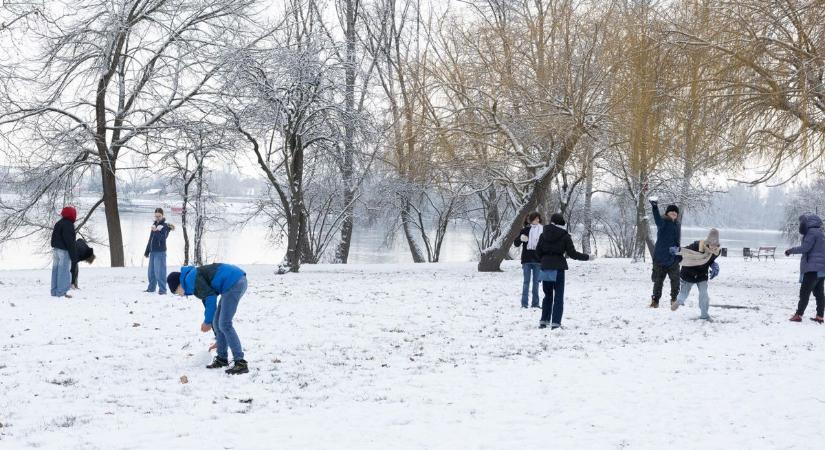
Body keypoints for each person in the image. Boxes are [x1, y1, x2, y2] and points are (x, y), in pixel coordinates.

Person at [168, 263, 249, 374]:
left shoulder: (191, 280)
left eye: (177, 292)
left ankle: (241, 362)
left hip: (234, 282)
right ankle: (222, 358)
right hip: (232, 283)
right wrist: (218, 338)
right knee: (217, 322)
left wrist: (207, 322)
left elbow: (210, 298)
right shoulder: (192, 281)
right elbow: (209, 305)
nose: (180, 295)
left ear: (179, 285)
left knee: (224, 323)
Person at [535, 213, 595, 329]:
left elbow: (537, 253)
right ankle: (556, 323)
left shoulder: (543, 235)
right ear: (561, 224)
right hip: (558, 268)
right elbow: (572, 254)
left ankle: (544, 321)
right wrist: (587, 257)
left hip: (546, 267)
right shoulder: (564, 236)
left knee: (547, 295)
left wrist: (544, 260)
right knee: (558, 296)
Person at [671, 228, 721, 320]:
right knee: (684, 294)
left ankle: (704, 315)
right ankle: (678, 301)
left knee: (704, 294)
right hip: (688, 273)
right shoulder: (697, 245)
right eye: (711, 245)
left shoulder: (717, 252)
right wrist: (677, 250)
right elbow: (686, 251)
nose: (713, 248)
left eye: (716, 246)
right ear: (707, 242)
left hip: (702, 275)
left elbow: (710, 261)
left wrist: (714, 266)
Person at [785, 214, 825, 324]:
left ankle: (798, 315)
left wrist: (790, 250)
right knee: (819, 294)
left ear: (808, 223)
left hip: (812, 269)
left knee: (804, 292)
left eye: (802, 223)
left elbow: (805, 248)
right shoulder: (820, 232)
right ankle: (820, 316)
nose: (801, 225)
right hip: (821, 269)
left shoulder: (811, 233)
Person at [648, 197, 681, 309]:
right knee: (658, 281)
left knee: (675, 281)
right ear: (667, 213)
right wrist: (655, 207)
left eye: (675, 213)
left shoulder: (677, 225)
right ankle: (655, 301)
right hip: (660, 258)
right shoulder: (663, 223)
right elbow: (657, 218)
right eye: (671, 212)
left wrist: (678, 253)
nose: (673, 214)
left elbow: (677, 241)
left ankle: (674, 299)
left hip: (673, 259)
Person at [514, 212, 543, 308]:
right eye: (535, 219)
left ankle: (535, 304)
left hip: (538, 260)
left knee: (536, 283)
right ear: (531, 220)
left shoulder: (542, 230)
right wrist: (521, 239)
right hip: (527, 259)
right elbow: (516, 243)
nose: (537, 220)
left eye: (538, 219)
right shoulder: (525, 230)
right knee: (526, 282)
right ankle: (524, 303)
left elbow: (545, 245)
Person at [50, 206, 78, 298]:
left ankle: (54, 291)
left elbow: (53, 237)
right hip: (64, 251)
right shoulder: (69, 225)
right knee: (64, 271)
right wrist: (73, 255)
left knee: (56, 271)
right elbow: (70, 241)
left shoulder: (58, 223)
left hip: (55, 250)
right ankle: (62, 292)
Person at [144, 208, 173, 295]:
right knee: (151, 272)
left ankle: (162, 290)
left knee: (160, 272)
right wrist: (147, 251)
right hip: (152, 252)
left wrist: (156, 231)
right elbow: (151, 239)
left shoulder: (165, 226)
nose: (157, 218)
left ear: (162, 215)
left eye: (159, 216)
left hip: (160, 252)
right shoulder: (154, 224)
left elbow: (163, 238)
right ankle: (151, 288)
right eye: (156, 216)